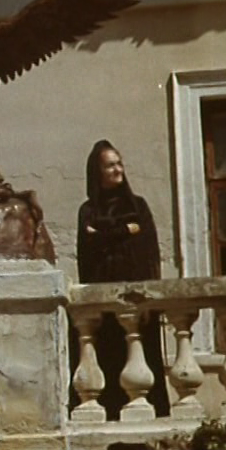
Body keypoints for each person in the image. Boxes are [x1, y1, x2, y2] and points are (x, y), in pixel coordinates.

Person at [73, 139, 169, 419]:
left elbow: (149, 252)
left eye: (119, 163)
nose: (117, 170)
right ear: (98, 172)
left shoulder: (138, 206)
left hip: (137, 302)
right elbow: (88, 253)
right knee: (109, 363)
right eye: (110, 165)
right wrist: (125, 231)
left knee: (143, 363)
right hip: (104, 305)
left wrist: (103, 234)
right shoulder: (88, 211)